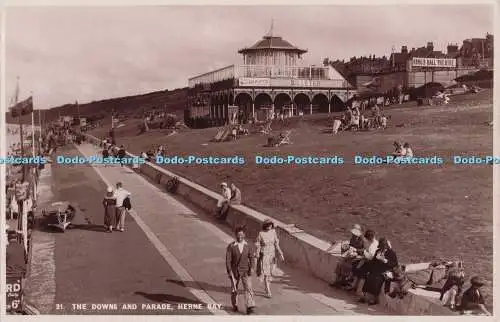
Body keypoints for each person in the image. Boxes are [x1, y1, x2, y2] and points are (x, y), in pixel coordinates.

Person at [226, 226, 256, 315]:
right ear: (235, 235)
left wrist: (252, 268)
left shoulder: (248, 246)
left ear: (244, 235)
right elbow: (228, 260)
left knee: (248, 288)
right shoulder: (231, 246)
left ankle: (249, 306)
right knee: (234, 290)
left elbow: (252, 258)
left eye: (241, 235)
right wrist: (229, 271)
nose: (239, 237)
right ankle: (234, 305)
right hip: (234, 272)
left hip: (246, 271)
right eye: (238, 235)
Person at [359, 238, 398, 305]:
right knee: (369, 278)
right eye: (381, 247)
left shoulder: (391, 253)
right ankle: (365, 296)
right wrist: (369, 269)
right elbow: (373, 262)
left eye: (383, 247)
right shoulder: (378, 251)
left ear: (386, 246)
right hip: (375, 270)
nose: (381, 248)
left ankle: (374, 299)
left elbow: (394, 264)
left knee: (377, 280)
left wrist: (385, 261)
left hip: (384, 271)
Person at [255, 220, 284, 298]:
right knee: (266, 273)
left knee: (271, 272)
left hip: (272, 254)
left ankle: (266, 286)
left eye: (270, 225)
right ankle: (268, 291)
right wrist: (257, 253)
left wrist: (280, 253)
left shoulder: (273, 232)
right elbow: (258, 244)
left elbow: (276, 244)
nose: (269, 227)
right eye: (267, 225)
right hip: (264, 255)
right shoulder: (261, 233)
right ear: (265, 226)